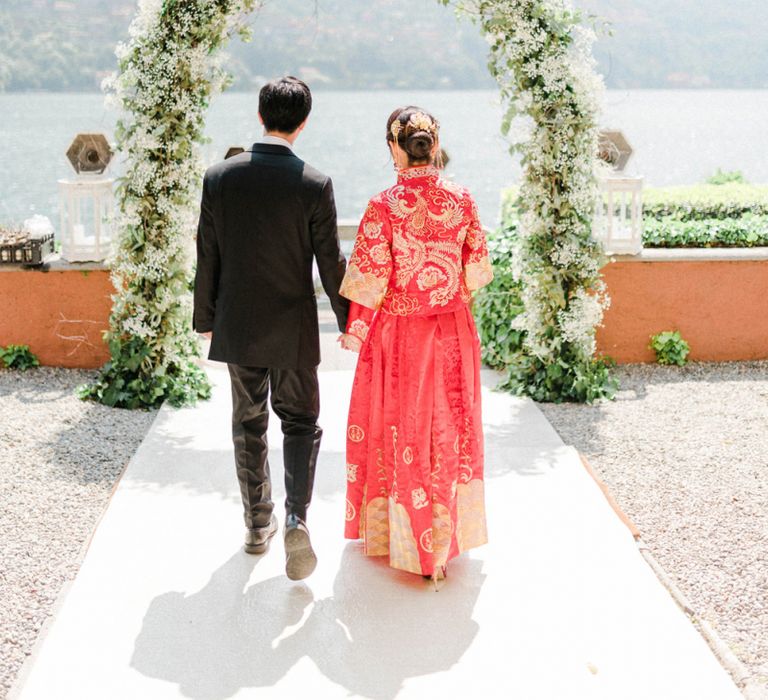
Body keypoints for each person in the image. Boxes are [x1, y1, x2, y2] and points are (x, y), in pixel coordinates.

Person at [193, 76, 349, 580]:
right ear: (303, 123)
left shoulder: (219, 178)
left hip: (238, 323)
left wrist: (205, 320)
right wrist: (349, 322)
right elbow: (331, 265)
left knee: (249, 423)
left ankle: (256, 525)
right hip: (294, 328)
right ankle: (296, 517)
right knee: (301, 422)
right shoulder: (313, 183)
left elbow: (207, 255)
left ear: (261, 116)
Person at [338, 106, 493, 585]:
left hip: (401, 335)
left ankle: (409, 542)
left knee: (403, 431)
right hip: (451, 332)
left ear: (394, 148)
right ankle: (442, 545)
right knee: (449, 428)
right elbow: (478, 271)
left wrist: (357, 329)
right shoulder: (463, 199)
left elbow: (369, 282)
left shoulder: (382, 205)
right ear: (434, 143)